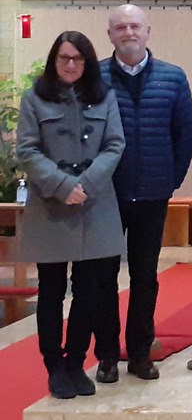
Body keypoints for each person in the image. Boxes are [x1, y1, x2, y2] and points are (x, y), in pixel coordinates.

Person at [16, 31, 125, 399]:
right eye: (64, 57)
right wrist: (63, 185)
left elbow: (115, 145)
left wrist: (86, 184)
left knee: (88, 289)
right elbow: (27, 150)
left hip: (93, 204)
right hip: (51, 205)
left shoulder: (104, 96)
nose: (70, 64)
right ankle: (55, 366)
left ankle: (77, 362)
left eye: (78, 58)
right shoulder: (35, 97)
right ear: (54, 60)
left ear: (88, 62)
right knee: (50, 290)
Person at [99, 4, 192, 382]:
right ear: (110, 34)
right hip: (106, 194)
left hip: (154, 193)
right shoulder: (95, 78)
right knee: (103, 278)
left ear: (147, 31)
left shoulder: (173, 77)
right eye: (120, 27)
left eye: (135, 26)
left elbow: (184, 134)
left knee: (145, 277)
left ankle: (140, 353)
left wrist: (171, 180)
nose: (129, 32)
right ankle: (107, 356)